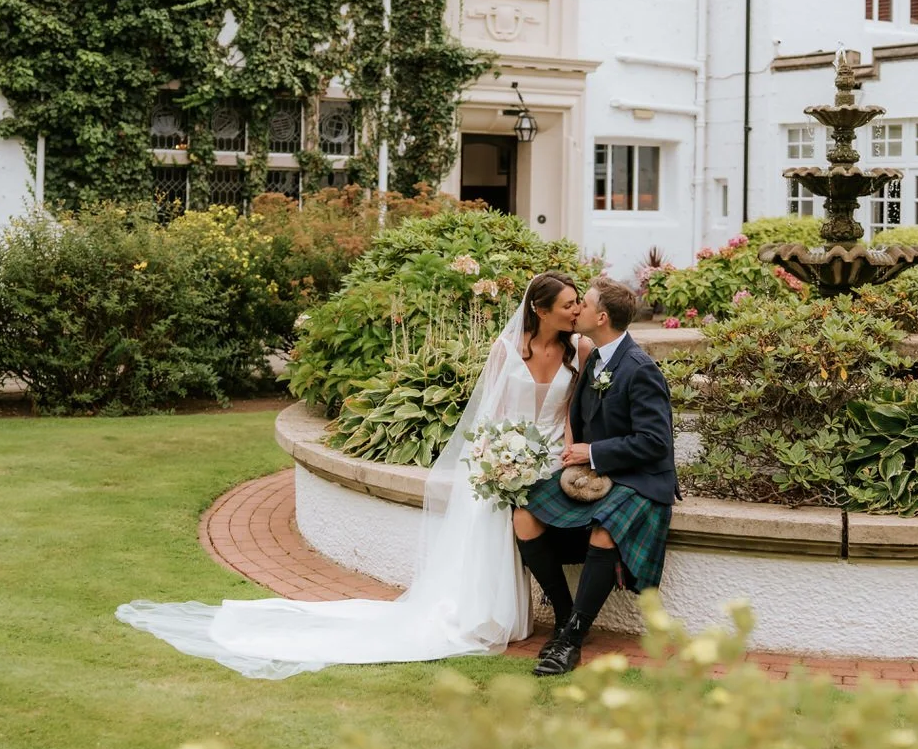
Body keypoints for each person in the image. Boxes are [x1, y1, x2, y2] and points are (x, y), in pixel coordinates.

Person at [115, 272, 585, 678]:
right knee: (487, 528)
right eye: (568, 304)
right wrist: (499, 460)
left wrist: (563, 452)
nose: (577, 310)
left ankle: (540, 616)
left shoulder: (576, 350)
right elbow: (490, 415)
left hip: (548, 460)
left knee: (520, 528)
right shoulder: (508, 350)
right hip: (503, 456)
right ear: (539, 310)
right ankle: (485, 615)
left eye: (578, 302)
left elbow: (570, 413)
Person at [513, 276, 677, 676]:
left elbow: (656, 442)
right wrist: (575, 453)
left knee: (604, 530)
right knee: (524, 515)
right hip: (594, 473)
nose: (576, 311)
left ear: (601, 317)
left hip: (640, 479)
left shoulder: (639, 369)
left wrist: (594, 452)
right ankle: (567, 615)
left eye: (582, 305)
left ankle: (571, 639)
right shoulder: (595, 358)